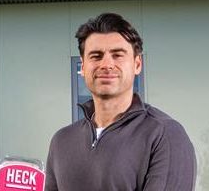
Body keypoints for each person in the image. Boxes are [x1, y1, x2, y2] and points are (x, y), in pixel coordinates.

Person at [45, 12, 196, 191]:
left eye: (117, 55)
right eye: (96, 56)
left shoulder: (164, 134)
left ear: (137, 64)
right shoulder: (62, 142)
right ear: (83, 67)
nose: (106, 64)